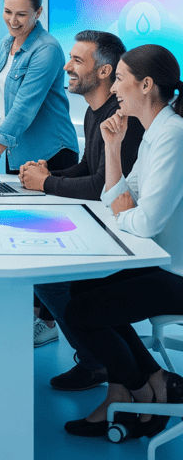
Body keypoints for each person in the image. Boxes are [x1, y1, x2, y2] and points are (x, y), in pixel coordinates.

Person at [61, 44, 183, 439]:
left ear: (146, 85)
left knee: (82, 312)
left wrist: (124, 210)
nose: (113, 89)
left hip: (175, 274)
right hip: (157, 262)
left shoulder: (173, 137)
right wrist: (113, 148)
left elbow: (145, 221)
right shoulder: (152, 134)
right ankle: (150, 381)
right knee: (80, 289)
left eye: (121, 80)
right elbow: (112, 198)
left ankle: (142, 387)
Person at [20, 31, 144, 378]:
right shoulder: (95, 113)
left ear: (104, 71)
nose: (66, 66)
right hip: (109, 225)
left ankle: (98, 363)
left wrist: (46, 183)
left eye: (77, 60)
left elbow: (101, 185)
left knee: (52, 283)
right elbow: (90, 168)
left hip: (131, 239)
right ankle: (97, 359)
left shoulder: (122, 119)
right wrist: (49, 173)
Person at [0, 0, 78, 177]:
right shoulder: (7, 43)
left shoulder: (46, 49)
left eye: (21, 14)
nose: (12, 21)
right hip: (17, 151)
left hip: (51, 154)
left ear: (38, 12)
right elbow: (8, 84)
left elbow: (24, 106)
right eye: (7, 12)